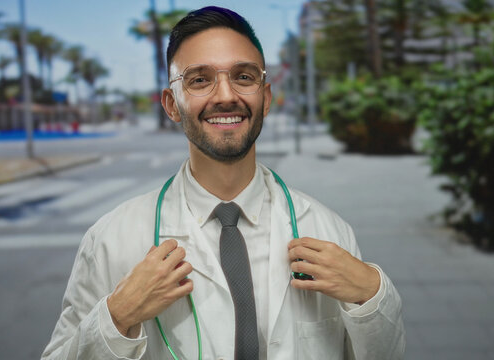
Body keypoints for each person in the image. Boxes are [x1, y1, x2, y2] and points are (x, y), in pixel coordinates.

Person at [42, 6, 405, 360]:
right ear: (171, 104)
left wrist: (373, 296)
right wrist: (117, 317)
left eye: (243, 77)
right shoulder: (110, 240)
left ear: (265, 99)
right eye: (199, 80)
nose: (226, 95)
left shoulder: (330, 229)